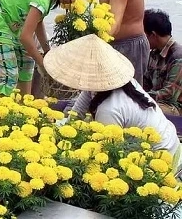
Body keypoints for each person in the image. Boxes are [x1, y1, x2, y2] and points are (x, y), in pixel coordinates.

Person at [44, 34, 182, 177]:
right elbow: (75, 115)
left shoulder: (109, 109)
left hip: (160, 162)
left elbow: (109, 155)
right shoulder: (121, 83)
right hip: (170, 141)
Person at [143, 9, 182, 115]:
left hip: (175, 107)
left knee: (145, 110)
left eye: (144, 35)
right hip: (157, 101)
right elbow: (145, 82)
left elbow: (170, 94)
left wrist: (141, 96)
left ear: (153, 35)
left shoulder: (178, 57)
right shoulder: (153, 54)